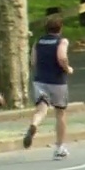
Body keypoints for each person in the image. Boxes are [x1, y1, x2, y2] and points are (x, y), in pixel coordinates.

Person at [23, 15, 74, 159]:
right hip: (57, 81)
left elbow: (33, 61)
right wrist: (67, 68)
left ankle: (34, 125)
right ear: (60, 28)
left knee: (41, 109)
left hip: (40, 80)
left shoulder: (38, 42)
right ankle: (60, 147)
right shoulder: (61, 41)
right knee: (60, 113)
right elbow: (61, 57)